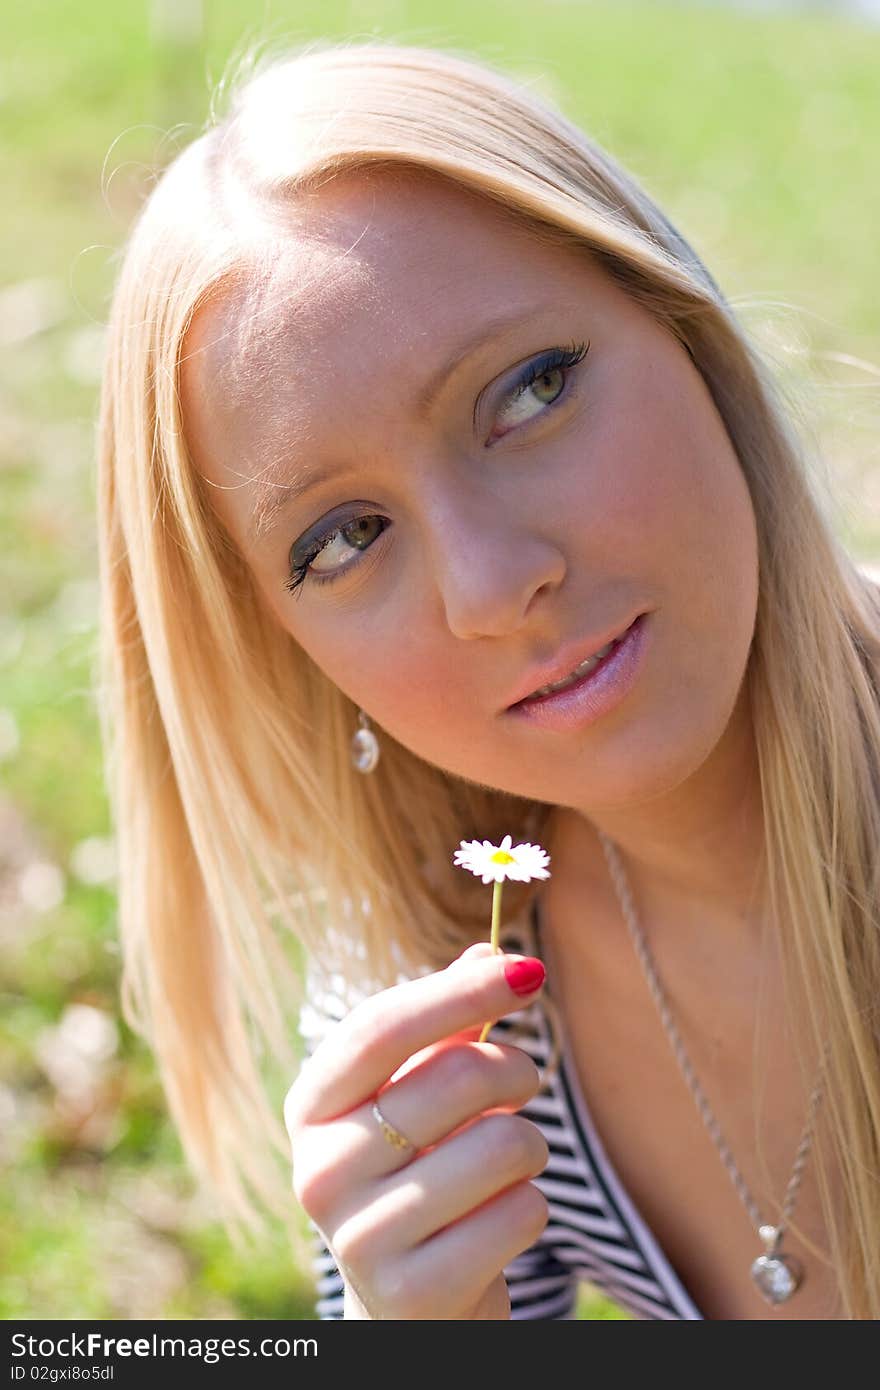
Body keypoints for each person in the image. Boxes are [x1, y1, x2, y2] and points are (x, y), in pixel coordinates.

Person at [95, 37, 880, 1320]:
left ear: (683, 326)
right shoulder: (444, 985)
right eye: (344, 538)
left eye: (529, 392)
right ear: (293, 650)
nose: (489, 583)